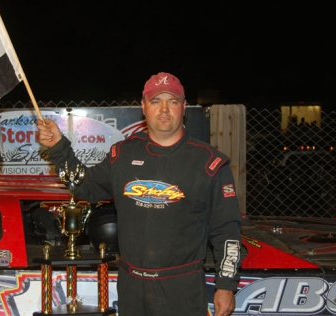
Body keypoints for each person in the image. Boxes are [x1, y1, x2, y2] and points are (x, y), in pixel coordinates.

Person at [36, 72, 243, 316]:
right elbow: (85, 186)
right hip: (132, 287)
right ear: (143, 107)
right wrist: (60, 149)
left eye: (172, 101)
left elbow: (227, 230)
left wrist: (226, 286)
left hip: (182, 288)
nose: (164, 109)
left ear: (184, 107)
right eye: (156, 101)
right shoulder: (122, 154)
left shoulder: (210, 163)